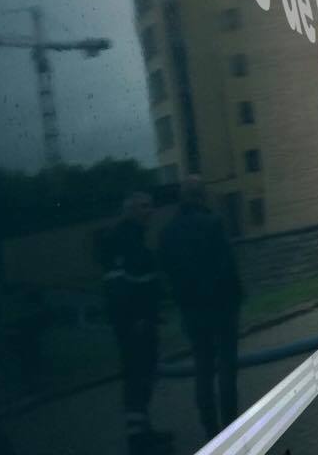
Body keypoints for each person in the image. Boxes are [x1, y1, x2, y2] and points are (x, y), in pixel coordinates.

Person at [159, 177, 243, 440]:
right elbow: (227, 266)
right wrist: (236, 298)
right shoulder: (212, 223)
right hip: (220, 307)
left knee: (203, 369)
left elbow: (168, 272)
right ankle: (231, 426)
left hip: (192, 310)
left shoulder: (168, 232)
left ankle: (210, 429)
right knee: (226, 367)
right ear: (201, 195)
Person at [98, 192, 172, 455]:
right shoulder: (123, 241)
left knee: (143, 377)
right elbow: (120, 287)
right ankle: (138, 440)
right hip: (134, 325)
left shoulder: (134, 238)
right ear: (129, 210)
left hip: (142, 321)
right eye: (142, 207)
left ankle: (143, 432)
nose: (149, 211)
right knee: (137, 378)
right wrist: (136, 318)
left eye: (150, 206)